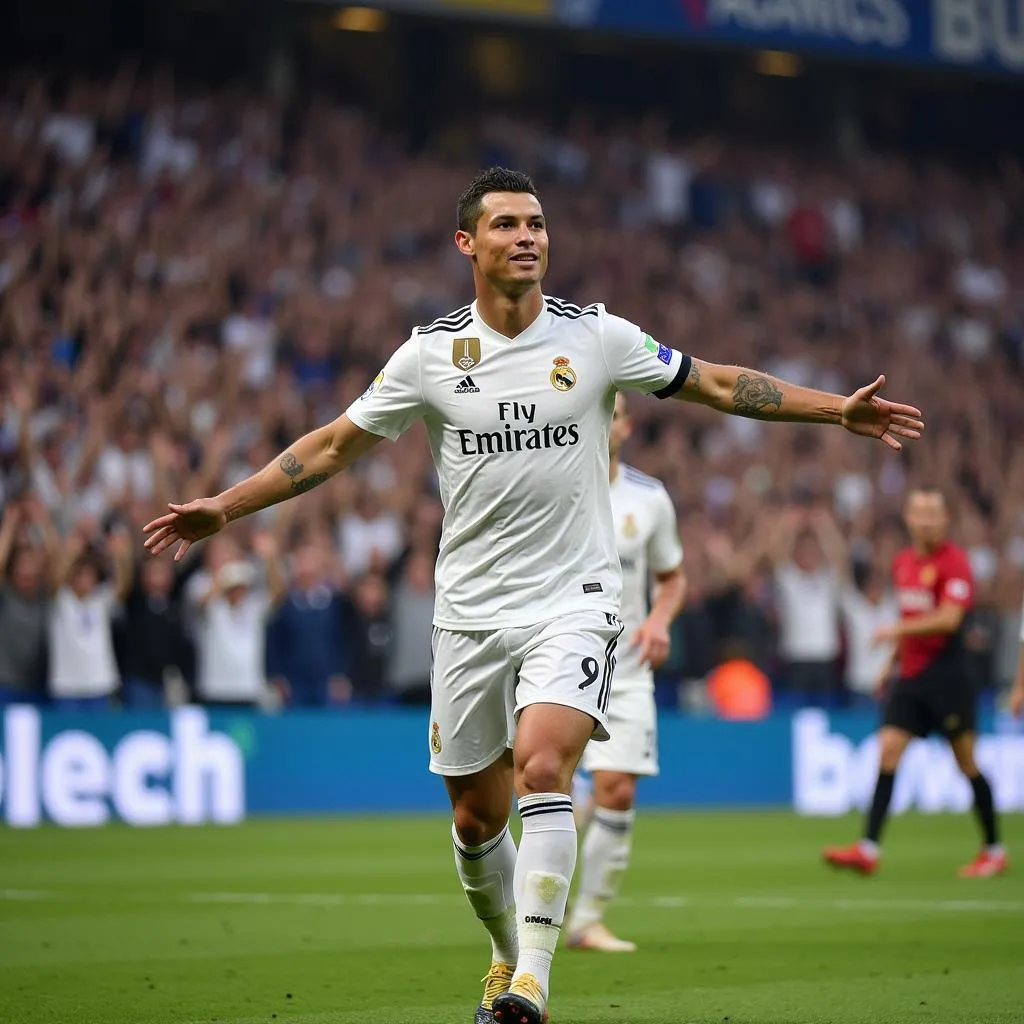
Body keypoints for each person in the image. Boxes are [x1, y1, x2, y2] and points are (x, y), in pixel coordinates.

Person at [143, 167, 924, 1024]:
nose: (528, 237)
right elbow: (330, 449)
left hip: (576, 598)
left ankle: (532, 985)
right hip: (469, 614)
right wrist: (226, 504)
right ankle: (508, 952)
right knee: (478, 821)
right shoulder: (429, 355)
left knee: (546, 768)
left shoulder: (597, 338)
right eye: (508, 224)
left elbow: (720, 383)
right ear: (466, 243)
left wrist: (832, 412)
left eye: (538, 224)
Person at [823, 486, 1007, 878]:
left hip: (949, 674)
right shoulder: (903, 561)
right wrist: (889, 665)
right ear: (907, 517)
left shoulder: (955, 562)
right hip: (911, 675)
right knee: (888, 750)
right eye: (919, 512)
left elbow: (949, 619)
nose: (925, 520)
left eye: (932, 513)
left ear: (945, 519)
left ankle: (993, 849)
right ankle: (868, 849)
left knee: (966, 760)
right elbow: (912, 619)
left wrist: (895, 630)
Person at [566, 393, 685, 952]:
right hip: (558, 656)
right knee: (543, 783)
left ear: (626, 427)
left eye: (613, 414)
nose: (604, 422)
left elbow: (673, 577)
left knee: (617, 789)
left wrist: (660, 619)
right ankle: (535, 914)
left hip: (630, 663)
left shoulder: (650, 499)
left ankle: (587, 920)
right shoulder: (552, 487)